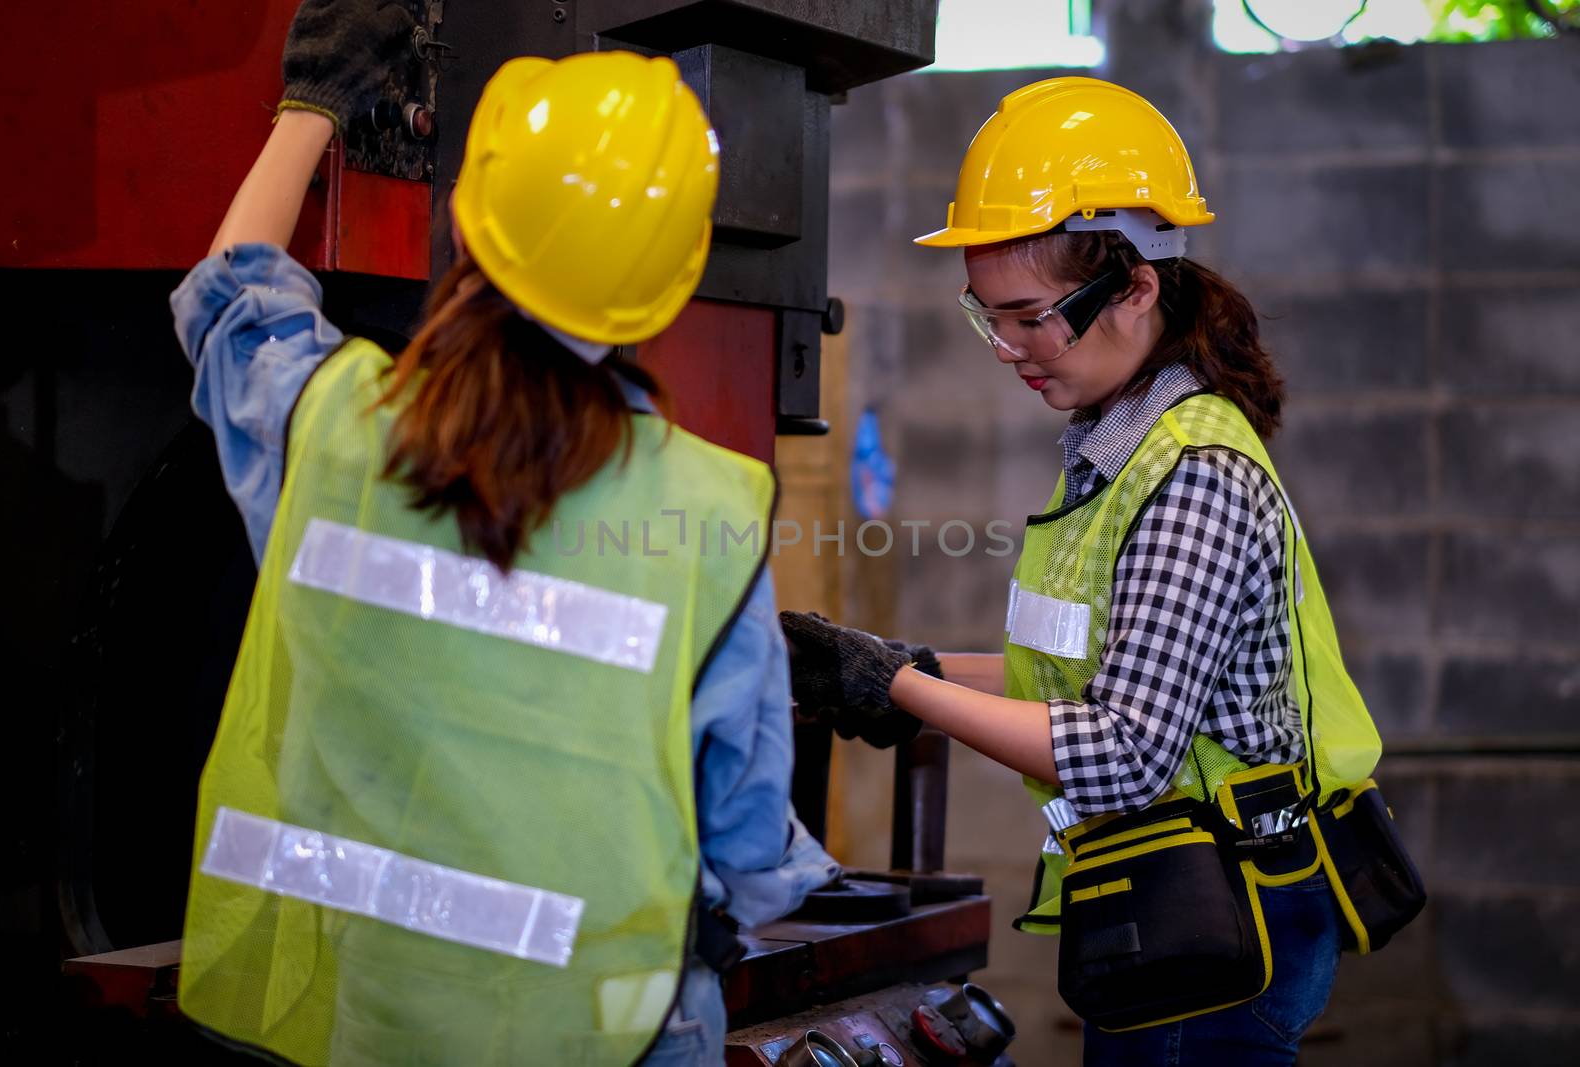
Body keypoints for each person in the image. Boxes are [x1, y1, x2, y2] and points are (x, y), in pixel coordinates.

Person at [171, 4, 836, 1064]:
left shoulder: (333, 429)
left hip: (370, 1019)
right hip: (619, 1038)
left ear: (471, 225)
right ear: (660, 295)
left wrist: (311, 108)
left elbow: (231, 300)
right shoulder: (712, 515)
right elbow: (751, 851)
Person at [782, 76, 1392, 1065]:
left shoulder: (1190, 473)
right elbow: (1079, 671)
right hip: (1178, 900)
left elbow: (1120, 750)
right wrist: (913, 664)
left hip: (1224, 919)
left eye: (1029, 315)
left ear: (1135, 287)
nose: (1008, 349)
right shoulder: (1114, 447)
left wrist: (893, 684)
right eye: (988, 318)